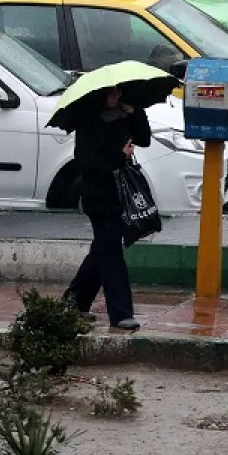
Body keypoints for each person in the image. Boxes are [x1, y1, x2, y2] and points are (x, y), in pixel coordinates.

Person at [64, 86, 151, 331]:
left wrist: (135, 113)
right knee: (111, 252)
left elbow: (144, 139)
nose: (117, 98)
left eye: (119, 94)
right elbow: (87, 161)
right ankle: (121, 313)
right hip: (98, 196)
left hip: (119, 194)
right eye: (112, 94)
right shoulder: (89, 120)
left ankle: (73, 303)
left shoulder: (122, 117)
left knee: (102, 250)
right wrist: (118, 156)